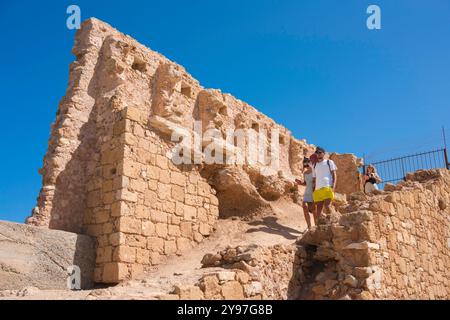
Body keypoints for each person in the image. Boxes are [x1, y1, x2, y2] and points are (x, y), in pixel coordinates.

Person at [312, 147, 337, 219]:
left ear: (324, 153)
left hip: (327, 186)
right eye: (316, 153)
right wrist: (313, 190)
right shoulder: (314, 165)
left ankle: (334, 222)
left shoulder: (329, 162)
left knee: (327, 206)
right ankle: (318, 228)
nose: (318, 154)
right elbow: (314, 179)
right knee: (319, 210)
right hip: (317, 189)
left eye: (320, 152)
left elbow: (334, 175)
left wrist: (334, 186)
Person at [295, 158, 316, 229]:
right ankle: (309, 226)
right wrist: (300, 183)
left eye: (307, 164)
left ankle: (316, 226)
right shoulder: (305, 173)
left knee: (313, 210)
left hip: (314, 191)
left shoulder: (315, 171)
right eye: (305, 165)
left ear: (310, 163)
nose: (306, 166)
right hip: (307, 191)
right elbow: (305, 183)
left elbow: (316, 182)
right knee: (304, 206)